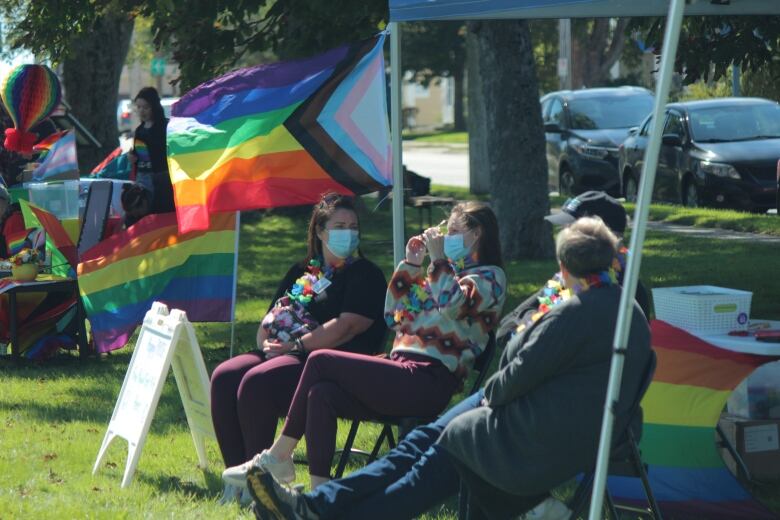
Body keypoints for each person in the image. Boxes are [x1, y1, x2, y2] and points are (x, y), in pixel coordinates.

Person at [249, 217, 652, 520]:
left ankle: (318, 511)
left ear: (565, 266)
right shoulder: (626, 309)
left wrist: (531, 326)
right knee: (418, 443)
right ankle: (313, 505)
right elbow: (399, 314)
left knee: (434, 458)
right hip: (535, 413)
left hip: (528, 423)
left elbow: (513, 369)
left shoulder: (575, 311)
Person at [225, 201, 507, 493]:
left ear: (476, 235)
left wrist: (437, 261)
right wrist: (411, 265)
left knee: (321, 361)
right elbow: (394, 315)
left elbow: (451, 306)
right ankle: (320, 495)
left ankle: (279, 454)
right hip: (400, 371)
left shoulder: (489, 279)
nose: (445, 238)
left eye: (454, 231)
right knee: (321, 393)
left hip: (429, 381)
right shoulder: (442, 275)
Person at [211, 193, 388, 502]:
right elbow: (272, 316)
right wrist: (265, 340)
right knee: (225, 375)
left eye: (353, 226)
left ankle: (262, 484)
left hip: (332, 362)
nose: (349, 232)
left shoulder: (366, 275)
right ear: (320, 231)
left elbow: (347, 327)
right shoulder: (303, 273)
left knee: (257, 381)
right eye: (339, 226)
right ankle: (237, 478)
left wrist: (295, 345)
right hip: (288, 352)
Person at [497, 190, 650, 339]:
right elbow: (505, 328)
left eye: (571, 228)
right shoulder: (568, 276)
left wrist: (532, 323)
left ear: (600, 234)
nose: (563, 233)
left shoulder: (625, 290)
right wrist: (534, 318)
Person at [128, 87, 174, 214]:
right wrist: (132, 157)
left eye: (146, 107)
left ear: (154, 107)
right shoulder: (139, 130)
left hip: (160, 179)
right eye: (139, 107)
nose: (142, 111)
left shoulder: (165, 127)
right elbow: (138, 154)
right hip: (142, 178)